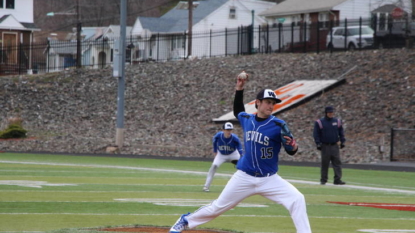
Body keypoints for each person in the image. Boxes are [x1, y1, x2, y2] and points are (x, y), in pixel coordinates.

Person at [169, 74, 312, 233]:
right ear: (258, 103)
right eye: (267, 102)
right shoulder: (247, 119)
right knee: (217, 207)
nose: (271, 106)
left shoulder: (278, 125)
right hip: (244, 176)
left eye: (273, 103)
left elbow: (291, 150)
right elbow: (238, 110)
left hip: (269, 179)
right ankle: (185, 221)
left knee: (297, 199)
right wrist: (239, 88)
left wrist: (293, 146)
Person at [203, 122, 243, 192]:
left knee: (242, 167)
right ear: (223, 130)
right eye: (227, 130)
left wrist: (241, 156)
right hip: (221, 154)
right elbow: (214, 142)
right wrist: (215, 151)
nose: (229, 131)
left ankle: (242, 186)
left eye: (230, 130)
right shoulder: (218, 136)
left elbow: (239, 147)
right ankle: (206, 186)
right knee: (214, 166)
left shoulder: (234, 138)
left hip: (233, 153)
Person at [313, 106, 346, 185]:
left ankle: (337, 179)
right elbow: (316, 134)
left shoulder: (337, 121)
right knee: (325, 163)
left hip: (334, 145)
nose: (331, 114)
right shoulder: (320, 122)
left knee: (337, 163)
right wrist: (318, 143)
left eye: (332, 112)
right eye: (329, 112)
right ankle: (323, 179)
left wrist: (342, 141)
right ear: (326, 113)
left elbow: (341, 132)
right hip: (325, 145)